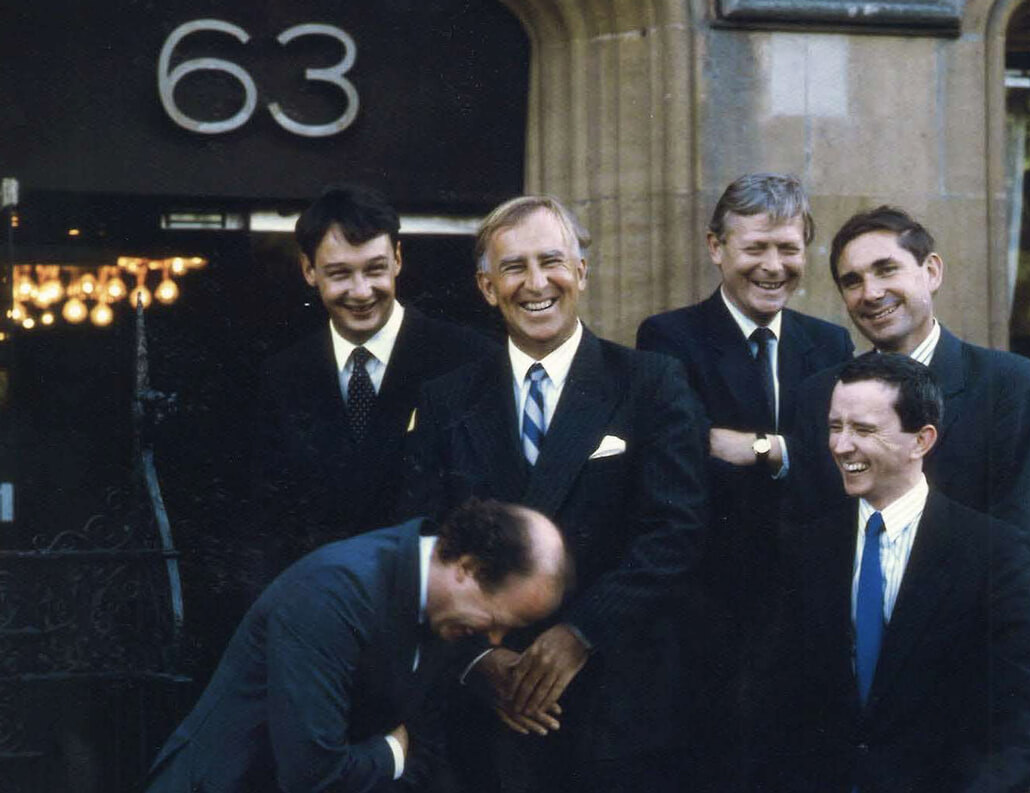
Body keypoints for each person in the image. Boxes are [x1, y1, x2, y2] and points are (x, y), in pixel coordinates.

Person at [402, 195, 708, 793]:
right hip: (490, 711)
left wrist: (579, 634)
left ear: (582, 274)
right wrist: (474, 662)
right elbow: (418, 540)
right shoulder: (447, 399)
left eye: (552, 261)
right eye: (514, 267)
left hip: (616, 707)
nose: (535, 283)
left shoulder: (651, 383)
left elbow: (677, 532)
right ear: (488, 287)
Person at [752, 354, 1030, 792]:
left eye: (863, 429)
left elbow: (1024, 707)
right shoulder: (807, 549)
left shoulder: (992, 551)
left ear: (922, 440)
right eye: (836, 427)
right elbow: (772, 702)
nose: (841, 446)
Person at [635, 173, 852, 789]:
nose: (774, 266)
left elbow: (849, 459)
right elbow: (686, 460)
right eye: (756, 248)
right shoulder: (670, 338)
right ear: (716, 248)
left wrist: (762, 448)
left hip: (812, 612)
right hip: (714, 616)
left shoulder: (829, 342)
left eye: (788, 248)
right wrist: (803, 455)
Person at [144, 498, 569, 793]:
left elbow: (422, 736)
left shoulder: (442, 610)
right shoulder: (332, 594)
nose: (493, 641)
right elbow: (312, 774)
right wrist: (393, 753)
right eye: (496, 622)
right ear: (468, 567)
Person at [791, 205, 1030, 568]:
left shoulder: (1005, 382)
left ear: (931, 271)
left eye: (886, 270)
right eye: (853, 281)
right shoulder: (820, 394)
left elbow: (1024, 530)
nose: (870, 293)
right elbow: (807, 538)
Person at [254, 184, 493, 575]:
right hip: (324, 605)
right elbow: (270, 519)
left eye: (375, 269)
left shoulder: (469, 359)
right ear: (309, 270)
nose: (361, 291)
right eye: (340, 274)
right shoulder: (283, 374)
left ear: (397, 259)